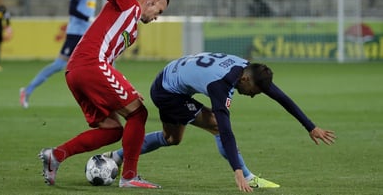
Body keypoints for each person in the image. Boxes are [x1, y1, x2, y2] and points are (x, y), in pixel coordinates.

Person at [38, 0, 170, 188]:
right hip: (89, 65)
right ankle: (129, 177)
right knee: (139, 114)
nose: (157, 17)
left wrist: (125, 88)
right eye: (159, 11)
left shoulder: (132, 31)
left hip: (77, 72)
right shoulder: (128, 2)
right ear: (152, 0)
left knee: (112, 129)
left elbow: (108, 60)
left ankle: (55, 156)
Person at [105, 52, 336, 192]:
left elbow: (281, 97)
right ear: (245, 79)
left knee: (172, 138)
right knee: (216, 123)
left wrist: (311, 126)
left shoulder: (249, 69)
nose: (255, 95)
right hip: (167, 92)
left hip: (170, 77)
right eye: (254, 91)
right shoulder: (220, 85)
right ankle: (248, 176)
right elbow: (225, 129)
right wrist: (236, 170)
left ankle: (115, 157)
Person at [19, 0, 97, 108]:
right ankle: (27, 90)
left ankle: (100, 98)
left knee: (97, 63)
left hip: (84, 34)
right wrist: (89, 18)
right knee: (59, 65)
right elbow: (72, 10)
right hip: (75, 34)